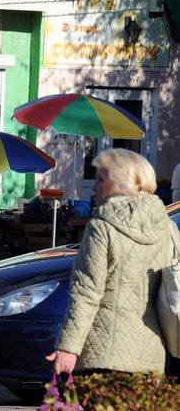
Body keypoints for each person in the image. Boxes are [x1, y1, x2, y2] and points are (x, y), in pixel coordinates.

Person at [47, 149, 178, 376]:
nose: (95, 187)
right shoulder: (167, 226)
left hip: (105, 352)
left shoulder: (103, 226)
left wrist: (68, 347)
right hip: (151, 353)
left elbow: (87, 291)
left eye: (101, 179)